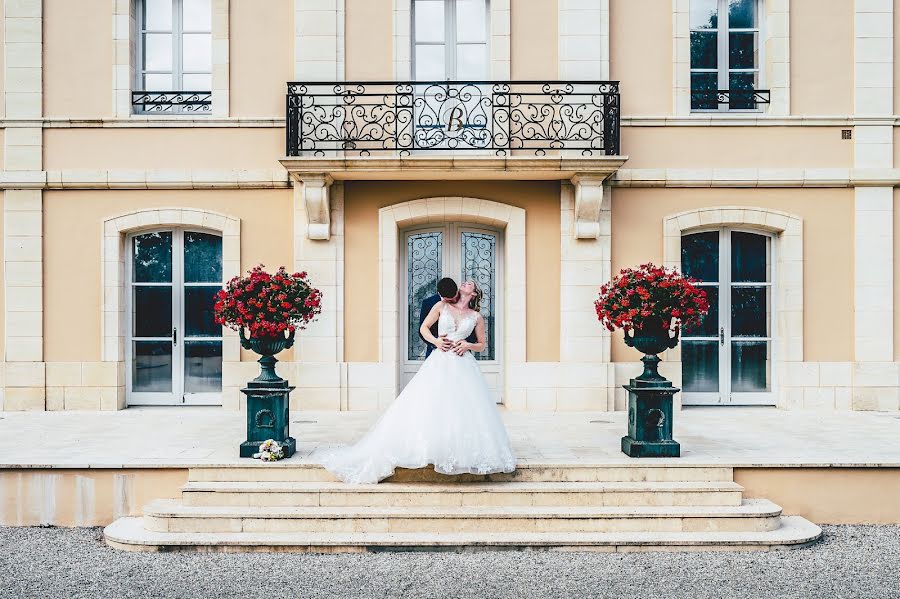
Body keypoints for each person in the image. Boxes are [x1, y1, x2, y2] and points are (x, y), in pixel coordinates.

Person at [309, 280, 517, 484]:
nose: (464, 283)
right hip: (439, 361)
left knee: (460, 409)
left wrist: (467, 345)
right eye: (463, 282)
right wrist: (435, 341)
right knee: (428, 405)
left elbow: (482, 344)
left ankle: (458, 452)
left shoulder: (476, 317)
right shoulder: (441, 305)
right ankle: (428, 448)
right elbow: (424, 328)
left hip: (464, 366)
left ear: (474, 293)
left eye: (469, 283)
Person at [418, 277, 477, 359]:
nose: (454, 300)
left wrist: (466, 343)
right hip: (436, 353)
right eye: (450, 300)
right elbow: (423, 329)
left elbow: (473, 325)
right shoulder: (429, 303)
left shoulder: (466, 300)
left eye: (455, 297)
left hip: (461, 354)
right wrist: (436, 342)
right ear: (440, 294)